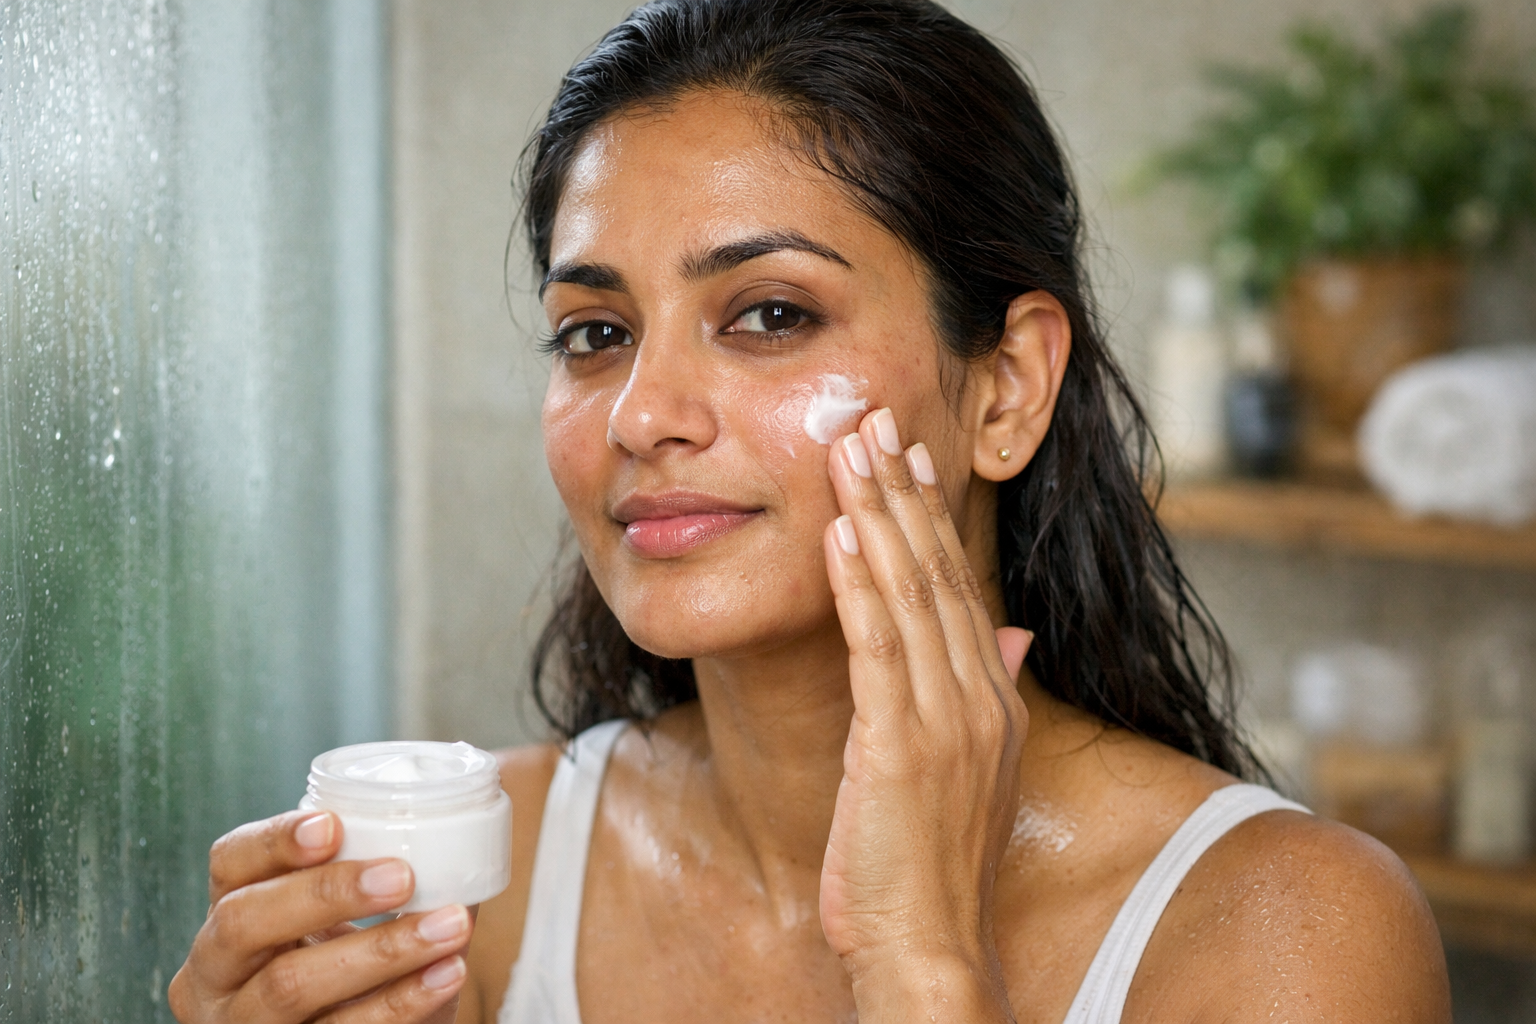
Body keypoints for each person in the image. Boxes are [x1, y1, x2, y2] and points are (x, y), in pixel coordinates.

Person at [168, 1, 1452, 1021]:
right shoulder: (468, 887)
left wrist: (926, 969)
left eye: (771, 314)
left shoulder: (1290, 935)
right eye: (595, 332)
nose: (641, 414)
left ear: (1007, 387)